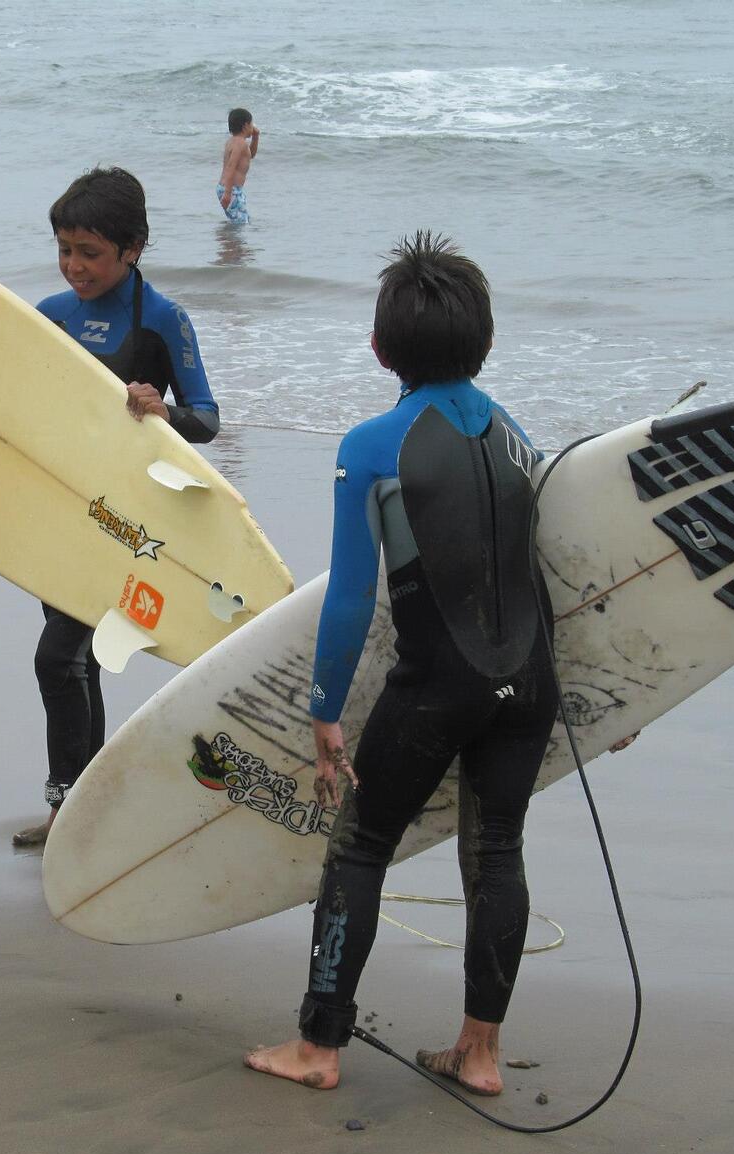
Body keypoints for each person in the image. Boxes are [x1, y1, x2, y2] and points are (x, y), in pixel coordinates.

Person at [245, 232, 558, 1097]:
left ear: (380, 349)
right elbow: (551, 569)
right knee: (498, 852)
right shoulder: (518, 434)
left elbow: (351, 597)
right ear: (484, 342)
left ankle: (318, 1045)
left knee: (359, 846)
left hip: (438, 688)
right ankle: (481, 1053)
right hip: (529, 681)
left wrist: (323, 708)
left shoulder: (371, 445)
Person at [0, 166, 220, 847]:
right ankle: (88, 805)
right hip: (61, 512)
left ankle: (68, 805)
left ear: (132, 249)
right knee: (82, 660)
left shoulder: (163, 321)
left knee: (57, 659)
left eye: (90, 253)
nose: (74, 266)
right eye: (65, 249)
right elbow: (22, 429)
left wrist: (164, 412)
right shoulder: (49, 318)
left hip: (126, 522)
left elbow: (208, 418)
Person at [217, 108, 260, 225]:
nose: (253, 126)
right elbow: (231, 167)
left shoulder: (234, 141)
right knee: (241, 223)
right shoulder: (240, 143)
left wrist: (256, 136)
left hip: (231, 189)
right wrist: (228, 193)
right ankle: (230, 242)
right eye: (252, 123)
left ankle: (230, 240)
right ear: (246, 125)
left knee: (239, 221)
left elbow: (251, 155)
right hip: (231, 190)